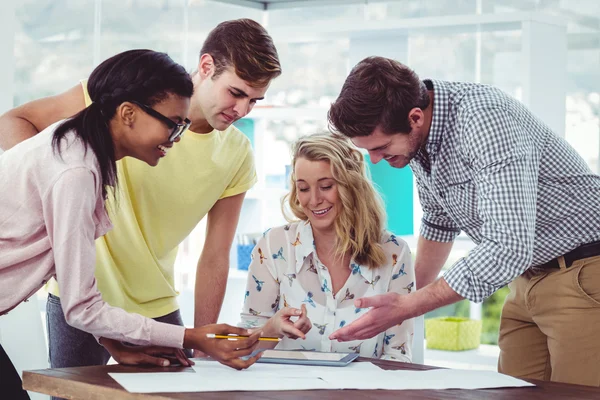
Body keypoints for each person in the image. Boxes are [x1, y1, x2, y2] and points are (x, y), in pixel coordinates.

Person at [0, 18, 281, 376]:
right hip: (83, 295)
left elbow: (215, 254)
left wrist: (201, 342)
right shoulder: (113, 106)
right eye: (237, 93)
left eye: (255, 101)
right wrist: (58, 193)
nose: (243, 111)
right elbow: (17, 123)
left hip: (142, 298)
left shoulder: (234, 152)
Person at [326, 56, 600, 386]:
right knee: (511, 393)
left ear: (415, 118)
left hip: (583, 275)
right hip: (527, 279)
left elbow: (507, 248)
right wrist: (399, 297)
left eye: (381, 147)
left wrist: (408, 306)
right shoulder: (418, 138)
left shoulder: (484, 121)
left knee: (578, 395)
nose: (375, 160)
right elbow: (439, 221)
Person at [240, 133, 415, 362]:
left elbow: (398, 357)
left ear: (351, 187)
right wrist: (272, 329)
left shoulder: (394, 253)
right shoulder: (274, 246)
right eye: (303, 188)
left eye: (325, 186)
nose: (313, 200)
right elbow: (244, 348)